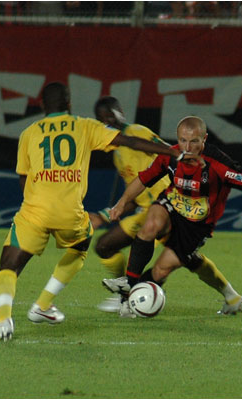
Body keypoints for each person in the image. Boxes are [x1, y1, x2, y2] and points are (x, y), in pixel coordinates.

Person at [0, 82, 198, 343]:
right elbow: (131, 142)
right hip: (70, 213)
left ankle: (3, 321)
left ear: (41, 106)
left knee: (8, 266)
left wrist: (35, 209)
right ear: (69, 104)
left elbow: (24, 181)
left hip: (34, 211)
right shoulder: (84, 125)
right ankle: (43, 305)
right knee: (82, 244)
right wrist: (173, 152)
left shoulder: (28, 133)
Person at [102, 116, 242, 317]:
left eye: (194, 141)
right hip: (171, 206)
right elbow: (144, 179)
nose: (187, 147)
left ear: (204, 139)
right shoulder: (171, 155)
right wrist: (121, 203)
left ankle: (230, 297)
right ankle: (130, 285)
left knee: (163, 269)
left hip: (197, 225)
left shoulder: (217, 163)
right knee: (151, 224)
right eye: (182, 140)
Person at [88, 96, 171, 312]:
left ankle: (128, 297)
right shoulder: (117, 154)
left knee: (172, 257)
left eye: (111, 115)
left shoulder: (137, 132)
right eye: (102, 119)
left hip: (169, 208)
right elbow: (134, 199)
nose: (108, 121)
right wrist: (105, 215)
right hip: (146, 213)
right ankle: (123, 294)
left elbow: (171, 154)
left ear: (120, 111)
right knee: (104, 246)